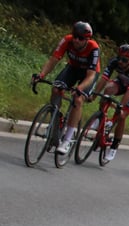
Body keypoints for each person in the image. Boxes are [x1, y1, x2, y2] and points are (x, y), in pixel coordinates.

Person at [32, 21, 100, 155]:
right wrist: (41, 75)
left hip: (88, 74)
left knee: (78, 99)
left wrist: (79, 88)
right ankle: (55, 122)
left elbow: (91, 75)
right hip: (73, 68)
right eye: (75, 36)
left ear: (87, 39)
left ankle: (67, 139)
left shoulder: (93, 48)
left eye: (80, 38)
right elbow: (53, 60)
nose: (76, 40)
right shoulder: (67, 40)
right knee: (56, 89)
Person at [90, 44, 129, 161]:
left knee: (121, 116)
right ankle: (100, 117)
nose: (120, 62)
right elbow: (104, 79)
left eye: (124, 60)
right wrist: (94, 95)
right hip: (121, 83)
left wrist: (120, 107)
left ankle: (114, 147)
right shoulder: (114, 62)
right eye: (119, 58)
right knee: (107, 90)